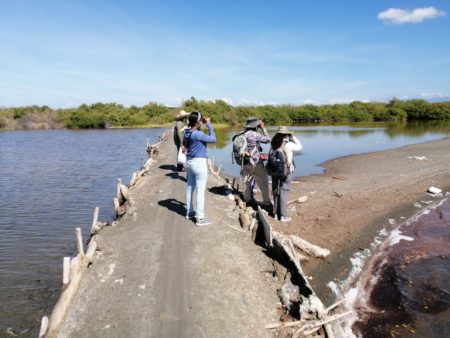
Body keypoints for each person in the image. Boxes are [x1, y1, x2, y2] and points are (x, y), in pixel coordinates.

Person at [184, 111, 216, 226]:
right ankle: (200, 218)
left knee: (190, 187)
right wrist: (209, 125)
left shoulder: (187, 132)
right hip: (199, 163)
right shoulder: (198, 134)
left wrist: (201, 123)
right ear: (198, 122)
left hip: (190, 162)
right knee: (200, 191)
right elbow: (213, 139)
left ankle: (189, 212)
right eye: (201, 120)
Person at [270, 126, 303, 222]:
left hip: (274, 170)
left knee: (276, 191)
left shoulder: (274, 143)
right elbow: (300, 147)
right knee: (284, 192)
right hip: (286, 171)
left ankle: (276, 214)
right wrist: (293, 137)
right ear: (286, 134)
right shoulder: (289, 144)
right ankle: (283, 216)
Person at [240, 116, 272, 207]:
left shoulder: (241, 134)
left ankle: (248, 200)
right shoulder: (254, 134)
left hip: (244, 161)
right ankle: (266, 202)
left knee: (247, 182)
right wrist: (263, 128)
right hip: (256, 162)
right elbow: (268, 139)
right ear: (255, 126)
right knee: (263, 182)